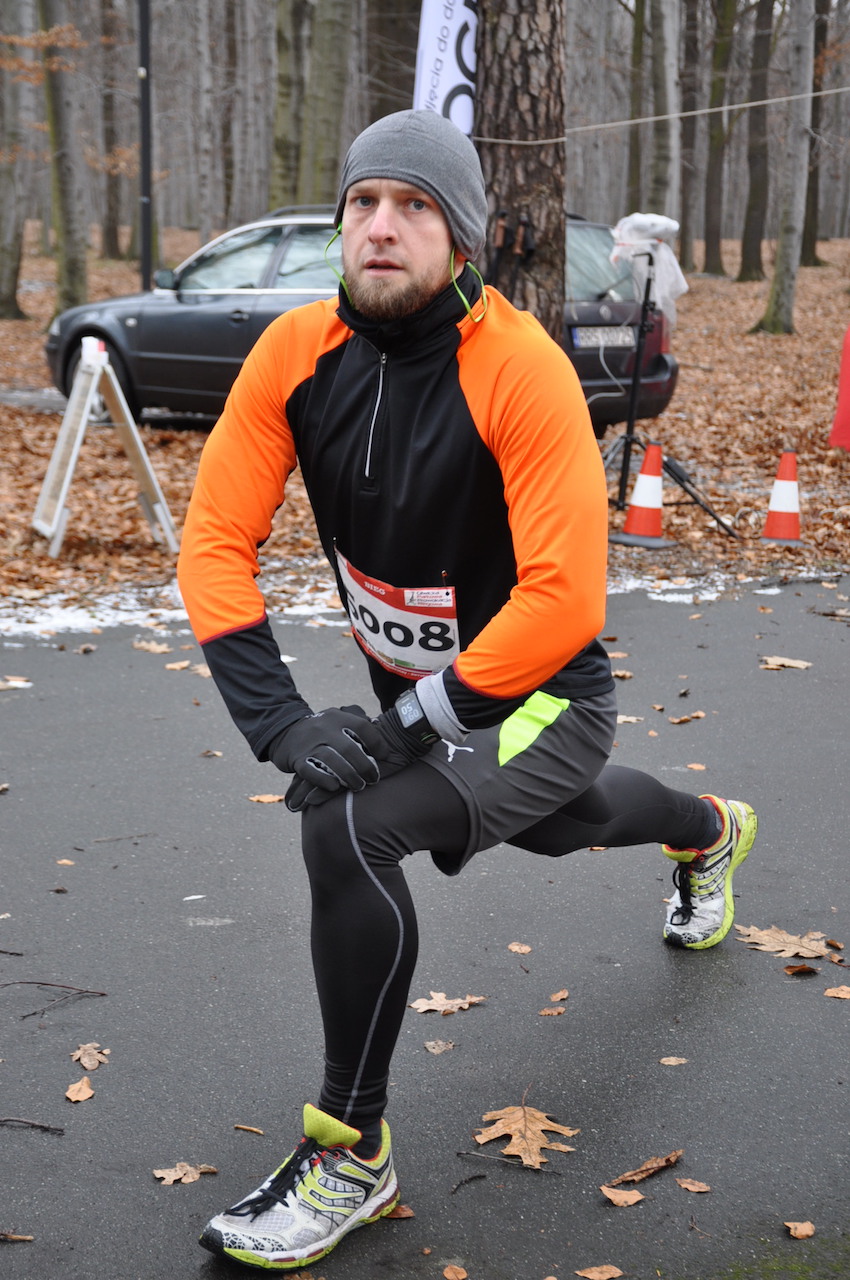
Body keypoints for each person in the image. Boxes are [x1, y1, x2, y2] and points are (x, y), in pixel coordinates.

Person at [177, 109, 757, 1273]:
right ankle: (707, 828)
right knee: (560, 823)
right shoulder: (293, 354)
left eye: (415, 206)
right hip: (426, 692)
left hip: (540, 694)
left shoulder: (518, 367)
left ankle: (352, 1149)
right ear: (340, 223)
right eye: (363, 203)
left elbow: (562, 599)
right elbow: (212, 543)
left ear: (464, 236)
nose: (382, 227)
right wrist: (282, 724)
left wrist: (404, 725)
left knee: (350, 826)